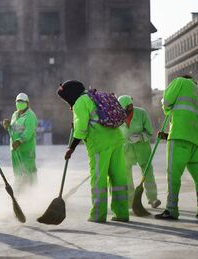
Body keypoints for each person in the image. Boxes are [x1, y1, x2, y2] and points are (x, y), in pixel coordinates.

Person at [58, 80, 129, 222]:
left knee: (98, 179)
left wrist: (71, 148)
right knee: (119, 177)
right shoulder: (95, 95)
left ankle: (98, 214)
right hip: (116, 140)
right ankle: (122, 213)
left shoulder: (80, 102)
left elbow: (81, 129)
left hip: (99, 145)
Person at [155, 75, 198, 220]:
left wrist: (166, 109)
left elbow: (166, 101)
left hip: (179, 138)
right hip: (196, 141)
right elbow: (190, 115)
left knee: (174, 175)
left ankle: (171, 209)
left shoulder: (180, 81)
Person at [117, 95, 161, 208]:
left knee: (148, 173)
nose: (123, 113)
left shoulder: (142, 113)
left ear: (130, 106)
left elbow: (149, 132)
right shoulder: (118, 116)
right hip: (126, 151)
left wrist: (140, 137)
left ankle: (153, 199)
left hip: (142, 149)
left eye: (126, 109)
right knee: (126, 176)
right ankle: (130, 201)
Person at [3, 92, 37, 190]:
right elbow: (14, 131)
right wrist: (8, 126)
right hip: (15, 150)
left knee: (29, 173)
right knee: (18, 173)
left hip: (26, 150)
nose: (19, 103)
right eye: (18, 101)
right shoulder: (15, 114)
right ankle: (19, 193)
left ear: (27, 103)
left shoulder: (30, 116)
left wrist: (19, 141)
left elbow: (28, 132)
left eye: (22, 101)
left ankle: (32, 193)